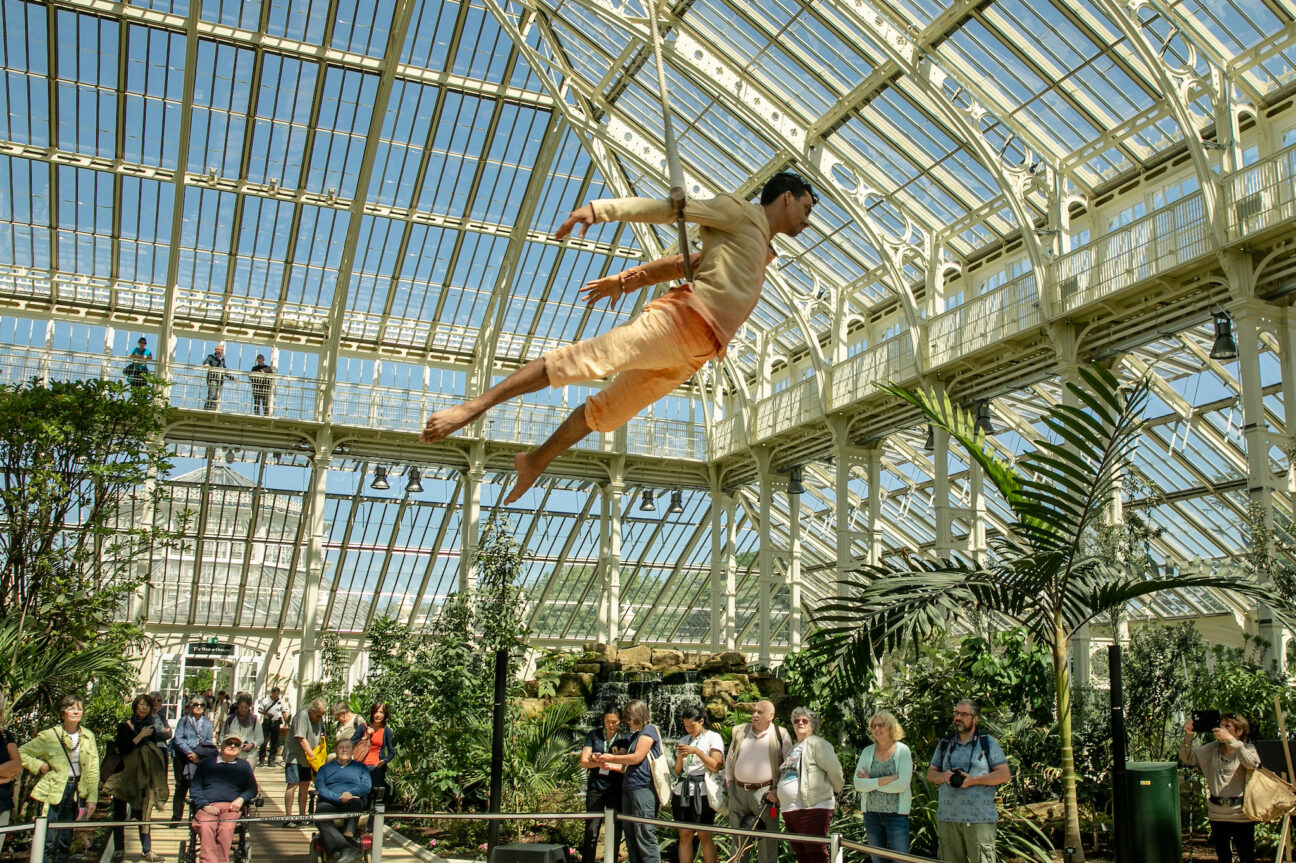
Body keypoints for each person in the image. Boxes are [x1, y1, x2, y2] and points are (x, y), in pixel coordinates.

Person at [420, 173, 817, 503]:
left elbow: (689, 263)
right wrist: (600, 210)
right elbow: (669, 210)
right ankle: (471, 409)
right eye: (806, 208)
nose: (807, 220)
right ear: (786, 197)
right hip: (678, 324)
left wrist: (629, 280)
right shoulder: (737, 212)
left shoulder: (758, 246)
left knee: (607, 413)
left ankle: (536, 461)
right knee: (578, 361)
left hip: (695, 353)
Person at [926, 699, 1010, 863]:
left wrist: (974, 781)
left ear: (975, 718)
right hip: (948, 819)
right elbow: (931, 774)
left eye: (964, 714)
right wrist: (944, 776)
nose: (958, 717)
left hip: (979, 819)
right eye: (957, 713)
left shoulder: (987, 742)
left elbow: (1004, 774)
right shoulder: (945, 743)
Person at [19, 695, 100, 863]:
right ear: (63, 713)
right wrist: (39, 765)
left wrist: (92, 798)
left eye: (79, 708)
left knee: (65, 839)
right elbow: (21, 753)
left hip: (75, 791)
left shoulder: (88, 736)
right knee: (45, 838)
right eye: (72, 708)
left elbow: (93, 769)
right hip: (52, 791)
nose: (76, 712)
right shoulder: (50, 735)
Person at [1180, 713, 1260, 863]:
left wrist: (1231, 741)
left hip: (1241, 814)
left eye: (1227, 726)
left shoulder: (1247, 748)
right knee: (1223, 856)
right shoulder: (1211, 749)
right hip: (1217, 813)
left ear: (1239, 731)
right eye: (1220, 725)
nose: (1221, 729)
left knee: (1246, 855)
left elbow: (1252, 763)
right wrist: (1188, 735)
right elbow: (1187, 757)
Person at [595, 700, 662, 863]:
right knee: (630, 834)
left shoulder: (649, 731)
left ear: (638, 716)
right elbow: (627, 766)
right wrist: (608, 764)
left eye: (629, 718)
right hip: (629, 788)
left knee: (645, 833)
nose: (627, 722)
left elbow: (637, 757)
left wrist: (612, 757)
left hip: (643, 789)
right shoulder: (635, 735)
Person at [724, 700, 792, 863]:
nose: (754, 715)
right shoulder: (740, 731)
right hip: (738, 792)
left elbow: (789, 767)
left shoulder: (780, 734)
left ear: (771, 716)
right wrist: (729, 784)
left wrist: (778, 791)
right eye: (754, 711)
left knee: (767, 843)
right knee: (738, 843)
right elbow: (730, 758)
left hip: (766, 795)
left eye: (760, 712)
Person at [106, 694, 170, 863]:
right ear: (135, 706)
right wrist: (140, 736)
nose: (144, 708)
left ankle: (146, 850)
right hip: (125, 775)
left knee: (144, 814)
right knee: (119, 814)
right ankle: (119, 849)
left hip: (144, 777)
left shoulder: (151, 726)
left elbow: (161, 741)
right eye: (141, 704)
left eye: (147, 705)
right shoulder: (125, 726)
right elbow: (121, 748)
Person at [776, 708, 843, 863]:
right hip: (791, 809)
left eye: (804, 721)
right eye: (796, 721)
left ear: (812, 726)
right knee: (801, 854)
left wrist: (835, 791)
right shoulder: (794, 748)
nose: (800, 723)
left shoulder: (818, 744)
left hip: (813, 807)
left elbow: (835, 771)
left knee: (815, 854)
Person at [854, 711, 913, 863]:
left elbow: (901, 785)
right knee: (878, 861)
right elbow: (858, 784)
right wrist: (883, 780)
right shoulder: (867, 752)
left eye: (881, 725)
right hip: (871, 815)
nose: (877, 729)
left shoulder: (902, 750)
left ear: (891, 727)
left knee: (900, 860)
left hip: (896, 816)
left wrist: (872, 783)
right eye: (874, 726)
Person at [190, 733, 257, 863]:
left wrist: (241, 799)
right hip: (208, 806)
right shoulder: (206, 764)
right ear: (221, 745)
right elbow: (195, 787)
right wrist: (205, 805)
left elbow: (252, 789)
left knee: (226, 829)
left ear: (240, 748)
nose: (232, 746)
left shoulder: (243, 766)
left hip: (231, 807)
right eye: (229, 743)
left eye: (236, 744)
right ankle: (209, 861)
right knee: (206, 826)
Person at [673, 705, 725, 863]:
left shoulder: (713, 737)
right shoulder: (684, 740)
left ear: (701, 721)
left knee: (705, 834)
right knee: (684, 834)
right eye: (686, 726)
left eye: (692, 725)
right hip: (683, 790)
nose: (689, 729)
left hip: (702, 790)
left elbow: (716, 765)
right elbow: (677, 771)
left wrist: (697, 752)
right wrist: (681, 757)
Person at [579, 704, 628, 863]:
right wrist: (599, 763)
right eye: (608, 721)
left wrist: (603, 758)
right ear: (603, 720)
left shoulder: (624, 738)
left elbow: (624, 763)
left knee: (614, 829)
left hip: (615, 787)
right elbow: (584, 762)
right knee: (591, 829)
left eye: (614, 722)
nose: (611, 725)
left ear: (620, 722)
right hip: (596, 786)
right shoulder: (594, 735)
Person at [313, 738, 372, 863]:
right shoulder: (325, 768)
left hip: (352, 800)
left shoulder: (360, 767)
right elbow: (320, 788)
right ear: (335, 750)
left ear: (352, 750)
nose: (344, 750)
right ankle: (347, 848)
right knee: (319, 812)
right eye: (341, 747)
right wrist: (338, 797)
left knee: (355, 803)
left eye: (347, 747)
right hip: (330, 801)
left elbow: (366, 785)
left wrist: (350, 794)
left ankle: (347, 836)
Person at [172, 696, 217, 822]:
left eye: (201, 705)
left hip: (199, 758)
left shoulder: (207, 723)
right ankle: (176, 816)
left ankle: (194, 816)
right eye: (196, 704)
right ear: (191, 706)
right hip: (183, 756)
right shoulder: (184, 720)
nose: (198, 707)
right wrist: (189, 752)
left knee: (196, 785)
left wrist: (199, 754)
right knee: (181, 785)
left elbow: (208, 741)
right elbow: (178, 738)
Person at [283, 698, 326, 827]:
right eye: (318, 715)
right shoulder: (302, 716)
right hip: (295, 756)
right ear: (312, 710)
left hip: (308, 758)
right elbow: (301, 738)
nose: (320, 717)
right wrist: (313, 758)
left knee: (305, 784)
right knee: (293, 784)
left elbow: (322, 732)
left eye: (322, 715)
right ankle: (288, 817)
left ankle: (302, 815)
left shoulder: (319, 717)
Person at [358, 702, 396, 806]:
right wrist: (365, 737)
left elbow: (392, 751)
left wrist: (384, 761)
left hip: (376, 765)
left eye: (381, 712)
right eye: (376, 712)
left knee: (374, 789)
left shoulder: (386, 731)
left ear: (385, 715)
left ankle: (371, 816)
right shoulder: (363, 728)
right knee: (361, 791)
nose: (378, 715)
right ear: (372, 713)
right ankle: (362, 813)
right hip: (361, 765)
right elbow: (352, 742)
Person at [221, 693, 264, 766]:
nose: (243, 709)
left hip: (249, 756)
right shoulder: (230, 719)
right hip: (232, 756)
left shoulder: (254, 720)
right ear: (238, 706)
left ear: (249, 707)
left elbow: (260, 738)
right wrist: (228, 744)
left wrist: (252, 744)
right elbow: (222, 736)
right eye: (241, 707)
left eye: (246, 707)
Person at [0, 704, 21, 855]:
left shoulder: (6, 736)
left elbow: (17, 765)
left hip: (2, 805)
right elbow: (10, 768)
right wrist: (3, 777)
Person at [258, 687, 287, 766]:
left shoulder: (280, 701)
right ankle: (262, 759)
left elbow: (283, 711)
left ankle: (271, 760)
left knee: (274, 742)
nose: (277, 696)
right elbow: (259, 710)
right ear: (272, 693)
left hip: (276, 722)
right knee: (264, 741)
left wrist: (286, 719)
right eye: (276, 694)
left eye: (278, 694)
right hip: (267, 722)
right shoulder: (265, 700)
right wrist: (266, 713)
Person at [203, 342, 235, 409]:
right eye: (218, 349)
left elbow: (224, 369)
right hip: (213, 378)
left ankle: (213, 409)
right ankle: (207, 408)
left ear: (222, 351)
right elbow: (207, 361)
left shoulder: (222, 359)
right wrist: (207, 364)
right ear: (215, 350)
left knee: (216, 396)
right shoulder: (211, 356)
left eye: (220, 350)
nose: (219, 351)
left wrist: (232, 378)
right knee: (212, 394)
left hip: (220, 380)